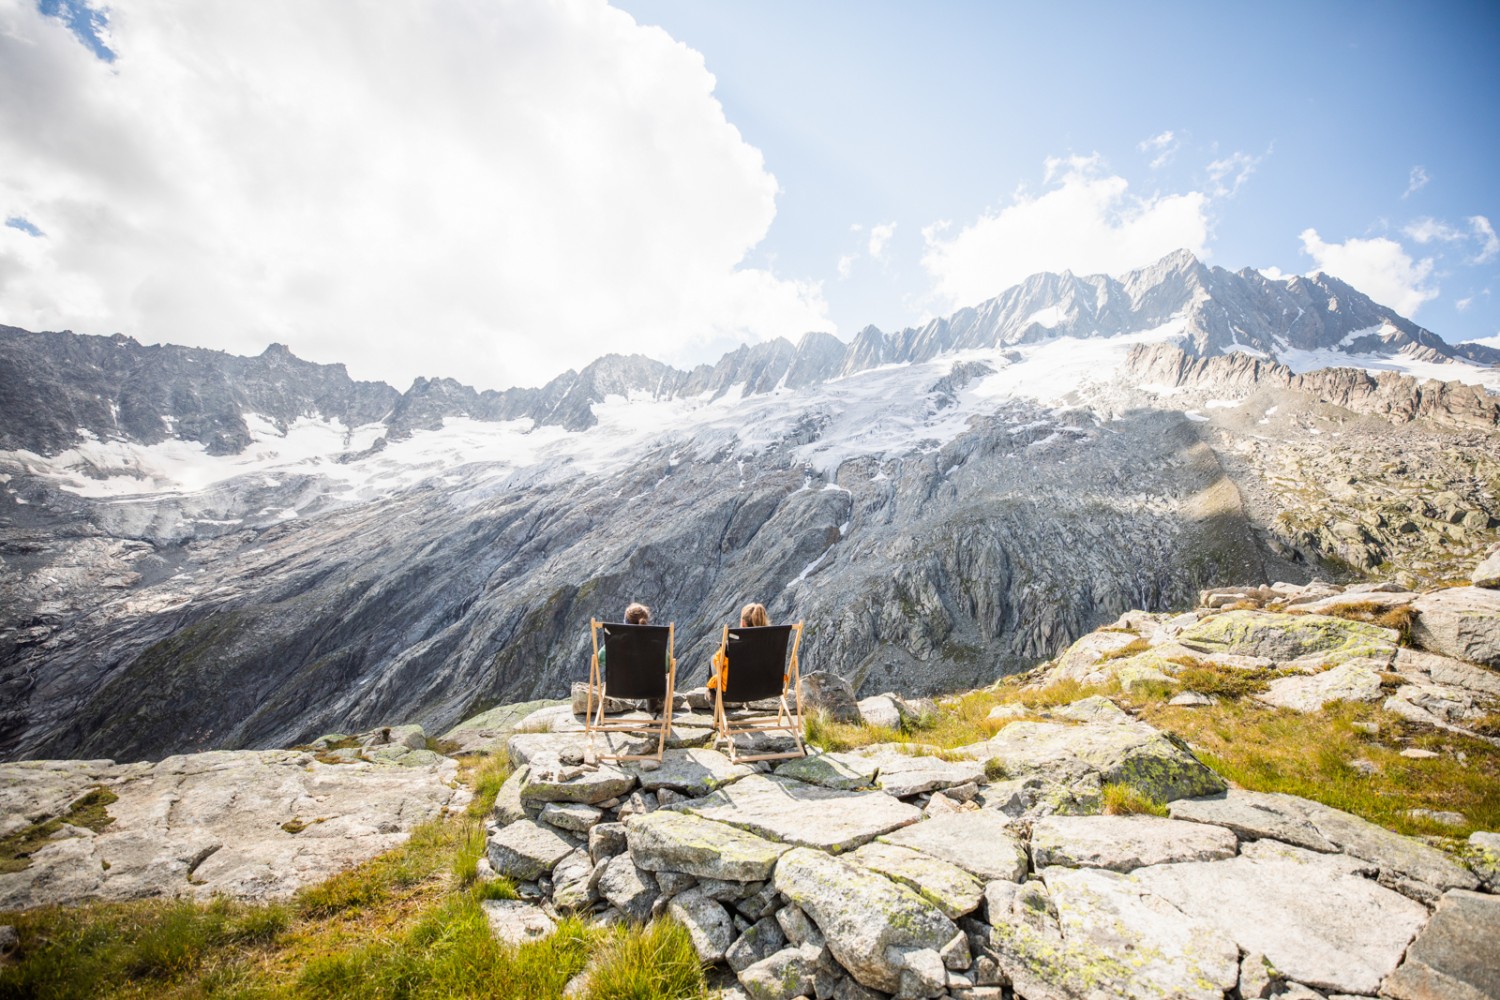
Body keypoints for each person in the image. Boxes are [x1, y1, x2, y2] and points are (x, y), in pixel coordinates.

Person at [707, 602, 770, 690]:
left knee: (713, 659)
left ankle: (713, 696)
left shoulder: (734, 645)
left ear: (743, 623)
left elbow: (719, 664)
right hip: (764, 688)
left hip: (734, 691)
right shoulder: (771, 642)